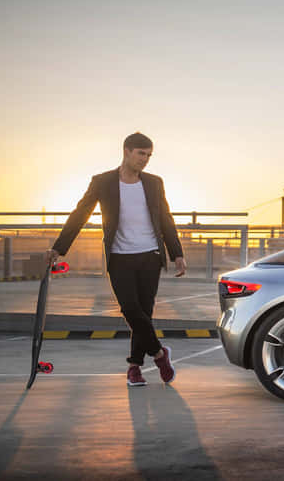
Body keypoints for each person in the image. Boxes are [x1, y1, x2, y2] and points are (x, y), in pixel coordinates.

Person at [46, 132, 187, 387]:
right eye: (141, 154)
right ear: (126, 151)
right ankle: (158, 354)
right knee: (130, 310)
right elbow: (80, 214)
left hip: (150, 256)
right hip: (120, 257)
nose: (145, 159)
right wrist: (59, 248)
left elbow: (165, 218)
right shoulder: (102, 182)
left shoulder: (154, 183)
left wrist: (177, 253)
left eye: (149, 155)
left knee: (143, 313)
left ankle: (134, 367)